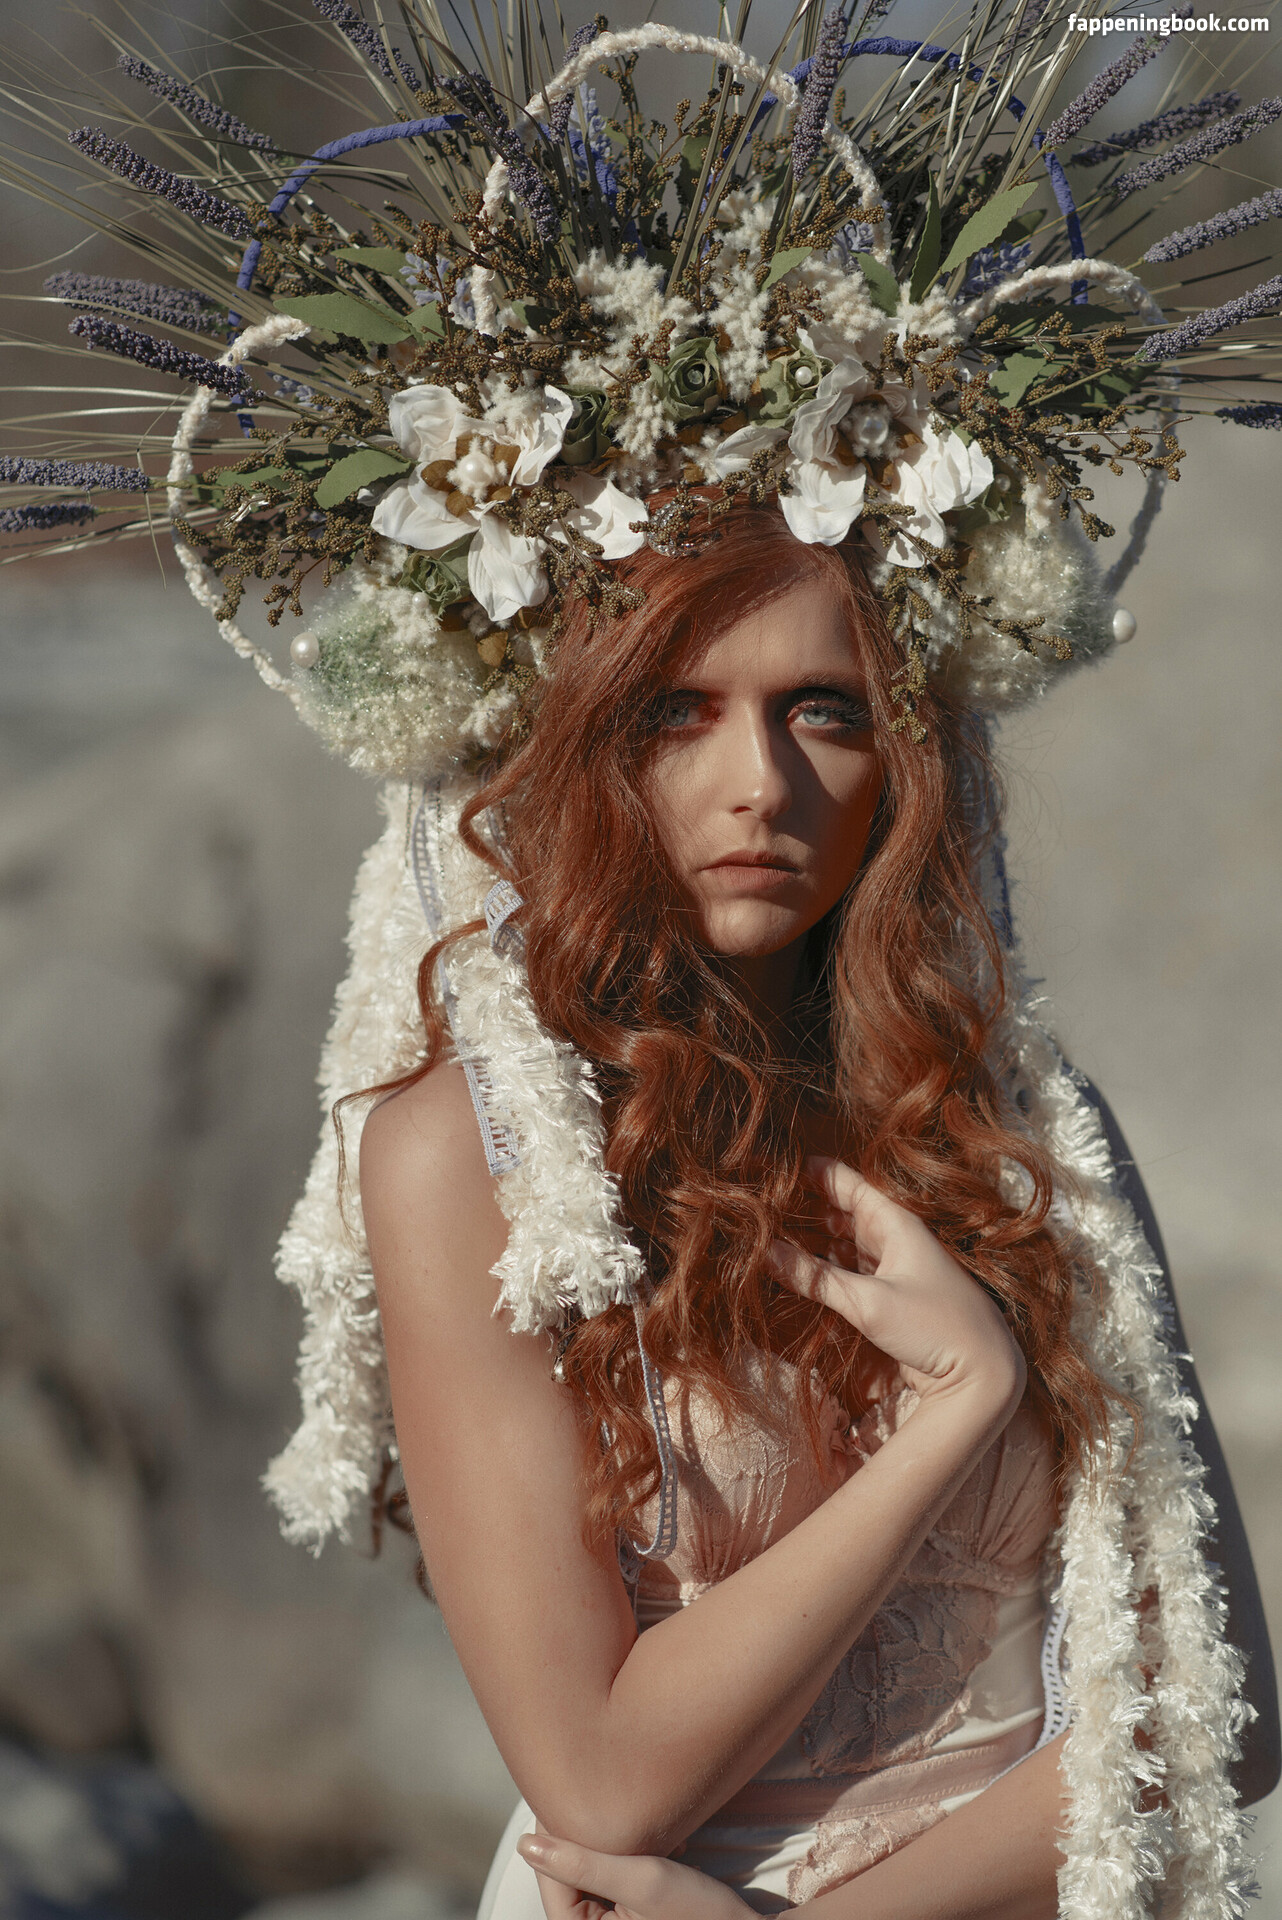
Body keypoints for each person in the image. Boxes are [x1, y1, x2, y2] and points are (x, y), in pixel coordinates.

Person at [357, 508, 1278, 1920]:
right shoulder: (472, 1159)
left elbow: (1223, 1710)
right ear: (577, 741)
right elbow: (601, 1783)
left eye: (823, 712)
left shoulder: (1018, 1125)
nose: (760, 784)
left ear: (904, 755)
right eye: (678, 711)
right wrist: (958, 1410)